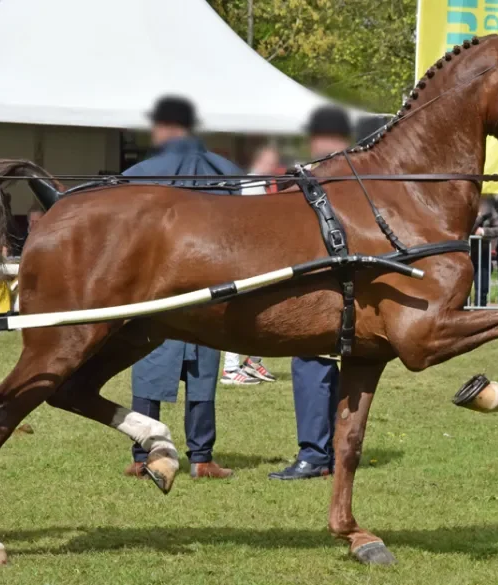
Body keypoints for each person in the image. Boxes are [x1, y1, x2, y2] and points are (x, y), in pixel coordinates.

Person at [123, 95, 238, 480]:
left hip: (158, 286)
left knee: (148, 367)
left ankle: (143, 458)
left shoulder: (140, 173)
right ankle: (201, 458)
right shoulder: (227, 172)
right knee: (203, 371)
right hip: (208, 285)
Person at [269, 105, 352, 481]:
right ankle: (329, 451)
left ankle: (315, 455)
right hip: (339, 284)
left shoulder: (327, 175)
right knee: (326, 370)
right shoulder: (350, 171)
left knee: (311, 366)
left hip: (322, 284)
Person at [220, 144, 280, 385]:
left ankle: (253, 362)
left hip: (260, 254)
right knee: (242, 309)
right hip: (248, 257)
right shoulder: (252, 183)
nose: (274, 164)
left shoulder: (263, 182)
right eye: (270, 160)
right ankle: (230, 369)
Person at [471, 196, 498, 306]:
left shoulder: (489, 209)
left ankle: (479, 314)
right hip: (465, 253)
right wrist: (480, 216)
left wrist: (484, 231)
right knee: (462, 290)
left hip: (483, 253)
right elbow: (467, 228)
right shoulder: (466, 205)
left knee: (482, 288)